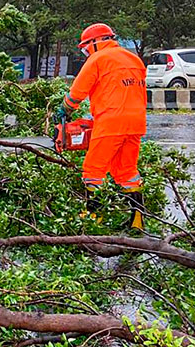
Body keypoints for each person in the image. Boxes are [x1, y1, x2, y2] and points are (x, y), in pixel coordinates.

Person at [56, 23, 147, 230]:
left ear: (96, 42)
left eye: (85, 46)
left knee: (93, 170)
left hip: (111, 123)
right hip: (136, 122)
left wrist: (65, 110)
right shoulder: (134, 58)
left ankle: (92, 218)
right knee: (128, 172)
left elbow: (77, 91)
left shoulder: (98, 59)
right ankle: (137, 221)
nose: (85, 51)